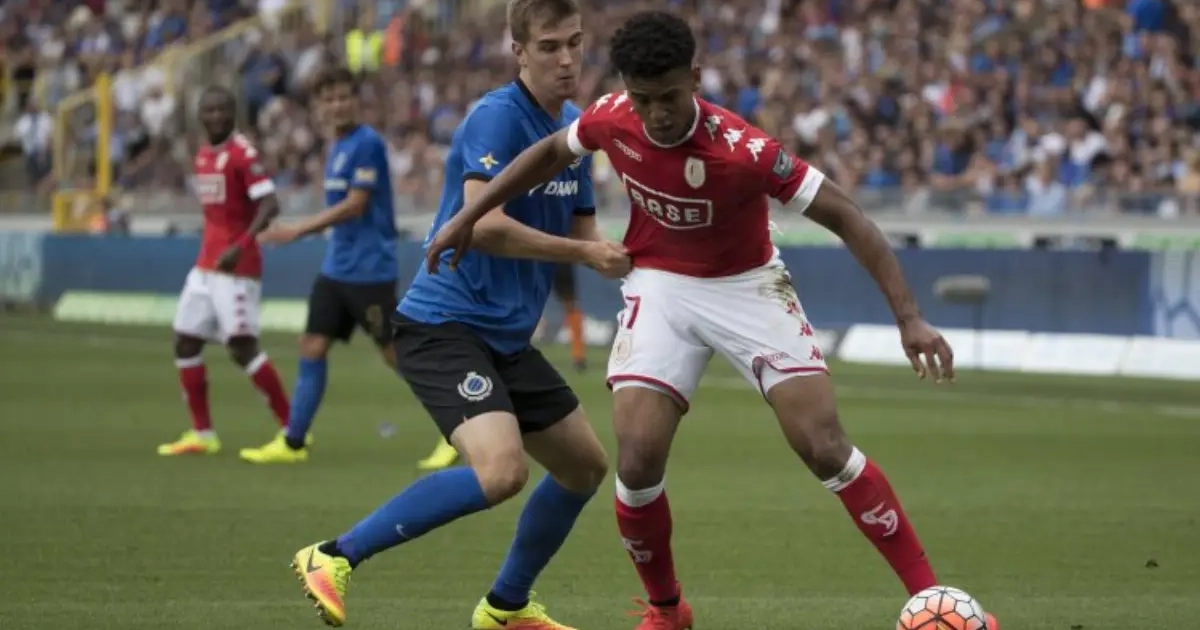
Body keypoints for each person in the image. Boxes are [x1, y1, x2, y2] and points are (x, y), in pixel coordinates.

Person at [425, 10, 1001, 630]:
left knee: (823, 446)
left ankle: (932, 602)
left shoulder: (746, 151)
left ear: (695, 79)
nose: (656, 114)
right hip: (661, 286)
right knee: (637, 461)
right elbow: (548, 153)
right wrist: (468, 216)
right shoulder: (612, 115)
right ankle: (667, 610)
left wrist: (909, 318)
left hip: (748, 286)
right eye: (643, 99)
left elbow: (847, 216)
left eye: (669, 97)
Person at [288, 1, 623, 628]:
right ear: (518, 51)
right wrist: (585, 253)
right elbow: (483, 225)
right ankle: (333, 555)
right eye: (549, 46)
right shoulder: (497, 118)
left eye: (575, 43)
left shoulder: (575, 129)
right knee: (501, 472)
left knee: (584, 466)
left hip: (505, 339)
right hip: (445, 324)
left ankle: (506, 606)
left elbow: (584, 230)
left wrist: (629, 258)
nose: (567, 59)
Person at [248, 67, 455, 469]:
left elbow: (356, 205)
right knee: (312, 345)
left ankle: (458, 425)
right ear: (318, 106)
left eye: (344, 97)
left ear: (356, 101)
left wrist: (297, 230)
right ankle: (293, 441)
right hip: (337, 269)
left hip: (368, 270)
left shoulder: (366, 144)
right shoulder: (338, 145)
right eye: (329, 99)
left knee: (397, 354)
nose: (337, 105)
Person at [158, 86, 292, 457]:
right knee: (186, 340)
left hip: (237, 268)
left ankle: (292, 429)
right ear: (200, 116)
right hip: (206, 265)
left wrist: (242, 245)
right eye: (210, 110)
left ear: (234, 114)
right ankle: (203, 434)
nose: (216, 116)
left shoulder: (242, 154)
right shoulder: (203, 155)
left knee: (241, 347)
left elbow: (270, 204)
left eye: (223, 110)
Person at [554, 263, 588, 371]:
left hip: (557, 262)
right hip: (553, 261)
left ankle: (578, 356)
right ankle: (578, 356)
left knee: (570, 307)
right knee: (570, 307)